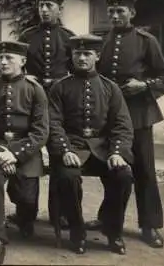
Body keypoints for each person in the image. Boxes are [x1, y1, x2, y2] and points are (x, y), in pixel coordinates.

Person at [85, 0, 164, 248]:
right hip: (109, 117)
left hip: (139, 117)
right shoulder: (102, 41)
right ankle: (108, 218)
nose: (114, 16)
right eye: (111, 11)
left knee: (144, 170)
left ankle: (150, 225)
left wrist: (143, 85)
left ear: (132, 12)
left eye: (120, 11)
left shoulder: (147, 41)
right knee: (110, 170)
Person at [48, 33, 134, 255]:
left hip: (103, 151)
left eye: (87, 54)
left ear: (97, 56)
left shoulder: (110, 88)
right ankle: (77, 231)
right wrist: (64, 150)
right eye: (78, 53)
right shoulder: (60, 87)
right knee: (67, 176)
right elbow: (53, 123)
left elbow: (122, 124)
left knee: (123, 174)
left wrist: (117, 152)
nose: (82, 58)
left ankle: (113, 231)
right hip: (73, 149)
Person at [0, 40, 49, 265]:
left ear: (23, 62)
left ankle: (25, 218)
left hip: (26, 149)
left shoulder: (35, 90)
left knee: (26, 197)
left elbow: (41, 131)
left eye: (9, 58)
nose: (3, 62)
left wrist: (14, 154)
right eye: (1, 58)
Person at [13, 0, 76, 230]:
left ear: (60, 10)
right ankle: (25, 212)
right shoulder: (27, 36)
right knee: (28, 153)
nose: (44, 10)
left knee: (59, 153)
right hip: (32, 101)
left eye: (49, 5)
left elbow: (74, 71)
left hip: (60, 104)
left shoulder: (69, 37)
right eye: (41, 5)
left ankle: (58, 213)